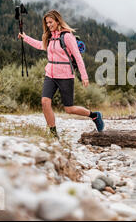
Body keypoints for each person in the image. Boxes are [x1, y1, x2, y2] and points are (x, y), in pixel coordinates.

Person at [18, 9, 104, 139]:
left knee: (69, 109)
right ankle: (53, 135)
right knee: (45, 102)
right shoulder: (50, 37)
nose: (49, 25)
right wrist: (25, 38)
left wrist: (84, 76)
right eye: (47, 23)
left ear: (58, 21)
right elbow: (41, 45)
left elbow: (77, 56)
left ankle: (94, 115)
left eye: (51, 22)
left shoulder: (67, 36)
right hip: (50, 75)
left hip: (65, 76)